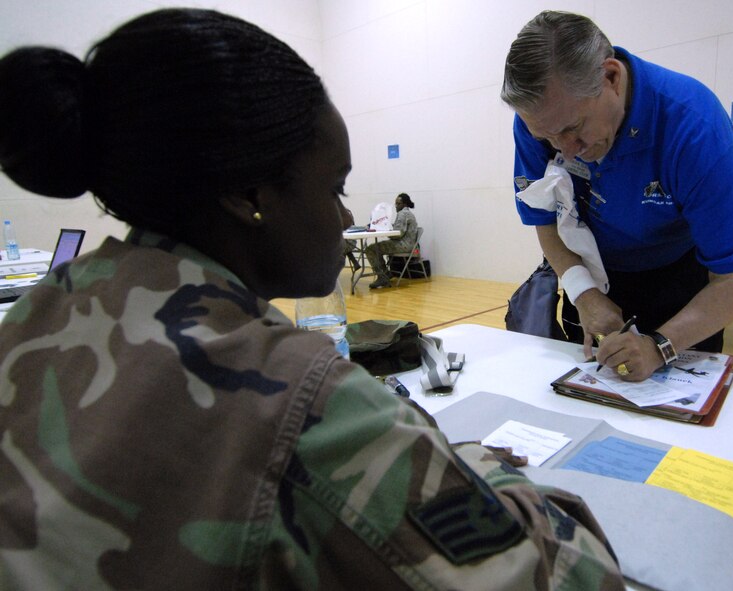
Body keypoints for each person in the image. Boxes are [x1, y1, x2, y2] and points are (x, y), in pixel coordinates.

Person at [0, 9, 623, 589]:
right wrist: (482, 470)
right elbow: (572, 574)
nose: (346, 215)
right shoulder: (298, 398)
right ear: (249, 195)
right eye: (335, 187)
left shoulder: (38, 311)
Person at [501, 10, 733, 382]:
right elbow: (543, 220)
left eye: (574, 129)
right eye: (548, 138)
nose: (566, 150)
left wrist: (662, 346)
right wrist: (585, 295)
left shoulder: (694, 127)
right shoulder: (543, 119)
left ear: (610, 76)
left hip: (682, 285)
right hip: (591, 272)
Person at [366, 192, 419, 289]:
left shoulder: (403, 214)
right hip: (408, 244)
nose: (396, 206)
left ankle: (382, 276)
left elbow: (398, 234)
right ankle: (385, 274)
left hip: (403, 245)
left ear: (405, 204)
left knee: (371, 249)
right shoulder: (407, 213)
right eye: (396, 203)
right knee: (375, 248)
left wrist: (385, 231)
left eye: (398, 204)